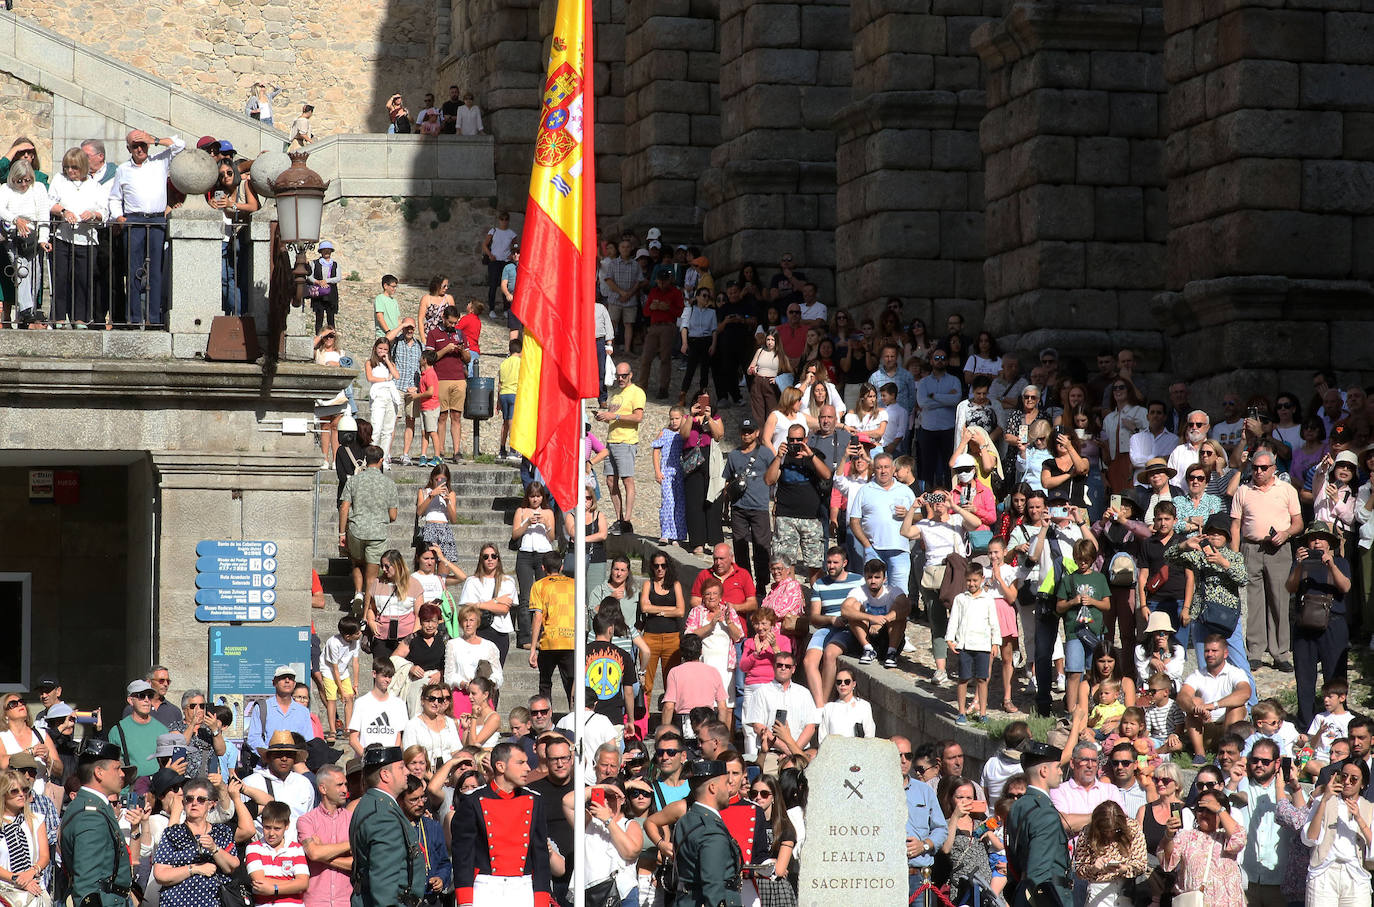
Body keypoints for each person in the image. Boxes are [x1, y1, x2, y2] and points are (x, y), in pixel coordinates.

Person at [451, 741, 552, 907]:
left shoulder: (535, 800)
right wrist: (465, 901)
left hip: (523, 888)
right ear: (500, 766)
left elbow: (540, 856)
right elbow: (463, 856)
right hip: (485, 888)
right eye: (520, 763)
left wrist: (541, 900)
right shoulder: (472, 801)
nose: (528, 768)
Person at [1229, 447, 1303, 669]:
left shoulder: (1287, 490)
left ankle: (1280, 653)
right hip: (1251, 547)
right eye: (1255, 467)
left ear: (1273, 468)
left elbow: (1298, 522)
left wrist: (1286, 533)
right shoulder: (1243, 490)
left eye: (1263, 468)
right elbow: (1235, 526)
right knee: (1253, 601)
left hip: (1278, 549)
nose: (1258, 471)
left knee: (1279, 599)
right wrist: (1234, 556)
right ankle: (1255, 651)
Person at [107, 130, 183, 325]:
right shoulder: (123, 169)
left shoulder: (159, 161)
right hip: (133, 221)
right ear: (128, 149)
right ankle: (133, 318)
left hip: (157, 220)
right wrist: (119, 217)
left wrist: (155, 140)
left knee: (155, 271)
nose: (140, 149)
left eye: (143, 145)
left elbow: (179, 144)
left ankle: (153, 319)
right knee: (134, 270)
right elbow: (115, 197)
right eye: (135, 145)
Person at [349, 746, 425, 907]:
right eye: (401, 767)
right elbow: (384, 880)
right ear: (385, 775)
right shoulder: (383, 816)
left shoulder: (373, 803)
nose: (407, 772)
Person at [47, 146, 109, 327]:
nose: (70, 171)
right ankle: (58, 317)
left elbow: (103, 212)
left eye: (74, 168)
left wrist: (92, 214)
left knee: (83, 279)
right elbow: (50, 202)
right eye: (67, 167)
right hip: (63, 237)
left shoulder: (95, 186)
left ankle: (80, 318)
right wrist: (64, 212)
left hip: (87, 239)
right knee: (60, 277)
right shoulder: (60, 180)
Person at [1006, 740, 1071, 907]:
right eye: (1057, 767)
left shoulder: (1019, 805)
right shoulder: (1044, 812)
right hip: (1049, 897)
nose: (1060, 772)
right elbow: (1038, 874)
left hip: (1024, 892)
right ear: (1044, 771)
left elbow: (1014, 862)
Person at [670, 760, 742, 907]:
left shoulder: (687, 820)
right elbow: (714, 890)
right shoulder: (712, 832)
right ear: (713, 788)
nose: (730, 789)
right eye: (726, 783)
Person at [1302, 758, 1374, 904]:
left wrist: (1359, 818)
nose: (1347, 782)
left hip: (1355, 876)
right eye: (1344, 776)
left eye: (1354, 779)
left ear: (1363, 784)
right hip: (1324, 873)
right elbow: (1309, 838)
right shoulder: (1324, 800)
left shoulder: (1369, 808)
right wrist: (1323, 801)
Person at [1160, 788, 1246, 906]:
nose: (1204, 814)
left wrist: (1219, 810)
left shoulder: (1225, 837)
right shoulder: (1186, 837)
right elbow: (1168, 861)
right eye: (1201, 809)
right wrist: (1168, 836)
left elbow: (1239, 839)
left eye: (1210, 810)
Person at [339, 447, 399, 610]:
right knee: (372, 576)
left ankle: (358, 592)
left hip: (357, 529)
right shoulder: (389, 484)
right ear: (381, 461)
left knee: (357, 562)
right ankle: (366, 612)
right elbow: (393, 515)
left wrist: (341, 533)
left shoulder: (353, 480)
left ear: (366, 459)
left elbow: (344, 507)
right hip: (377, 532)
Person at [1178, 636, 1253, 764]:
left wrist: (1214, 705)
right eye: (1207, 651)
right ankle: (1200, 755)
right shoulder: (1197, 675)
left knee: (1237, 708)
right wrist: (1196, 709)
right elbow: (1182, 696)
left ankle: (1225, 752)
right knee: (1194, 703)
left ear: (1225, 653)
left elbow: (1245, 693)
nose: (1210, 654)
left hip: (1230, 728)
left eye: (1214, 651)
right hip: (1207, 727)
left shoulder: (1235, 672)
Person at [597, 363, 646, 536]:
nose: (620, 378)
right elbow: (613, 416)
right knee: (610, 480)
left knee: (627, 480)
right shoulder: (616, 393)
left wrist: (614, 416)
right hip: (612, 440)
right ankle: (619, 519)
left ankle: (627, 519)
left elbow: (638, 417)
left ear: (630, 375)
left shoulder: (637, 392)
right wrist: (604, 417)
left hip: (626, 441)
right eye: (618, 375)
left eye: (624, 375)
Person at [1071, 800, 1148, 907]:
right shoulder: (1087, 832)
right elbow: (1079, 871)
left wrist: (1125, 868)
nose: (1110, 834)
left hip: (1127, 888)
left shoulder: (1132, 828)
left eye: (1115, 830)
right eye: (1105, 831)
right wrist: (1094, 868)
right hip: (1098, 889)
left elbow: (1142, 864)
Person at [241, 732, 315, 840]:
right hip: (262, 851)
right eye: (278, 754)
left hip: (297, 852)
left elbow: (309, 820)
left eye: (289, 755)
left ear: (295, 758)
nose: (284, 758)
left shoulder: (304, 784)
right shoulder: (251, 783)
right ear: (269, 757)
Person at [297, 764, 352, 907]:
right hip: (315, 901)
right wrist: (350, 844)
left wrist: (323, 853)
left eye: (345, 785)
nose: (345, 790)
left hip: (346, 901)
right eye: (339, 785)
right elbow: (314, 853)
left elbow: (357, 863)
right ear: (323, 788)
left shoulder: (353, 820)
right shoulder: (306, 820)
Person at [528, 552, 577, 708]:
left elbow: (537, 616)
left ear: (543, 568)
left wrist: (533, 649)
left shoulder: (539, 585)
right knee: (572, 684)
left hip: (549, 641)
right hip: (570, 641)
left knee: (545, 684)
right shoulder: (574, 583)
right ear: (561, 566)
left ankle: (544, 718)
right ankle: (574, 718)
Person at [246, 800, 310, 907]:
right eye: (267, 827)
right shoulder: (253, 848)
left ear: (287, 826)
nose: (271, 833)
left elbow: (303, 883)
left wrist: (274, 889)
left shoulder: (296, 849)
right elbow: (259, 882)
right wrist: (292, 883)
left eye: (277, 829)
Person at [347, 663, 407, 758]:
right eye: (384, 676)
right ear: (374, 674)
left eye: (390, 677)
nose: (387, 680)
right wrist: (368, 758)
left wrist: (390, 758)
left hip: (389, 762)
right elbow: (353, 739)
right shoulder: (361, 703)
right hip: (365, 762)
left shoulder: (399, 704)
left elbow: (398, 736)